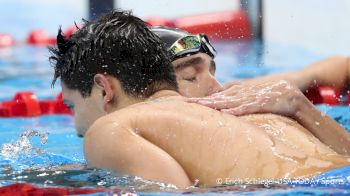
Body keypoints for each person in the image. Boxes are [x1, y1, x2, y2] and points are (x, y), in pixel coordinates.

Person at [49, 10, 350, 188]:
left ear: (104, 89)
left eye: (72, 106)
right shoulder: (256, 113)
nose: (215, 88)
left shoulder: (113, 129)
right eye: (190, 77)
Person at [150, 26, 350, 155]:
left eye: (212, 72)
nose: (217, 88)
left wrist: (297, 94)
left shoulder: (239, 101)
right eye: (190, 76)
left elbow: (340, 67)